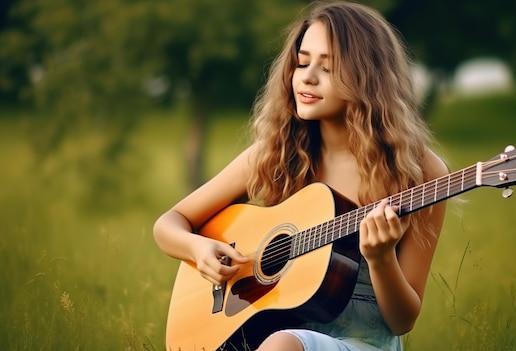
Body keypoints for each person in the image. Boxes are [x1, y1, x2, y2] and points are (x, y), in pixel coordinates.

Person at [153, 1, 448, 350]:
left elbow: (403, 320)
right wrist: (199, 248)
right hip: (272, 331)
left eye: (328, 67)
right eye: (302, 62)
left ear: (368, 76)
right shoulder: (277, 153)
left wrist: (381, 259)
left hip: (362, 342)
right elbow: (169, 224)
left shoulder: (417, 170)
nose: (306, 77)